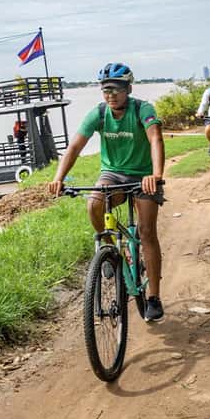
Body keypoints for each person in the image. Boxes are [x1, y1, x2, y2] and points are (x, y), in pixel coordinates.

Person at [48, 63, 167, 322]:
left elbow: (155, 139)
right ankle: (111, 252)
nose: (110, 94)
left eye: (115, 89)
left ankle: (154, 297)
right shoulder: (99, 114)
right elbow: (74, 147)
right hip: (111, 174)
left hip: (142, 175)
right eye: (105, 90)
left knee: (147, 232)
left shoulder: (142, 109)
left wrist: (155, 176)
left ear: (128, 89)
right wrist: (58, 178)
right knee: (94, 204)